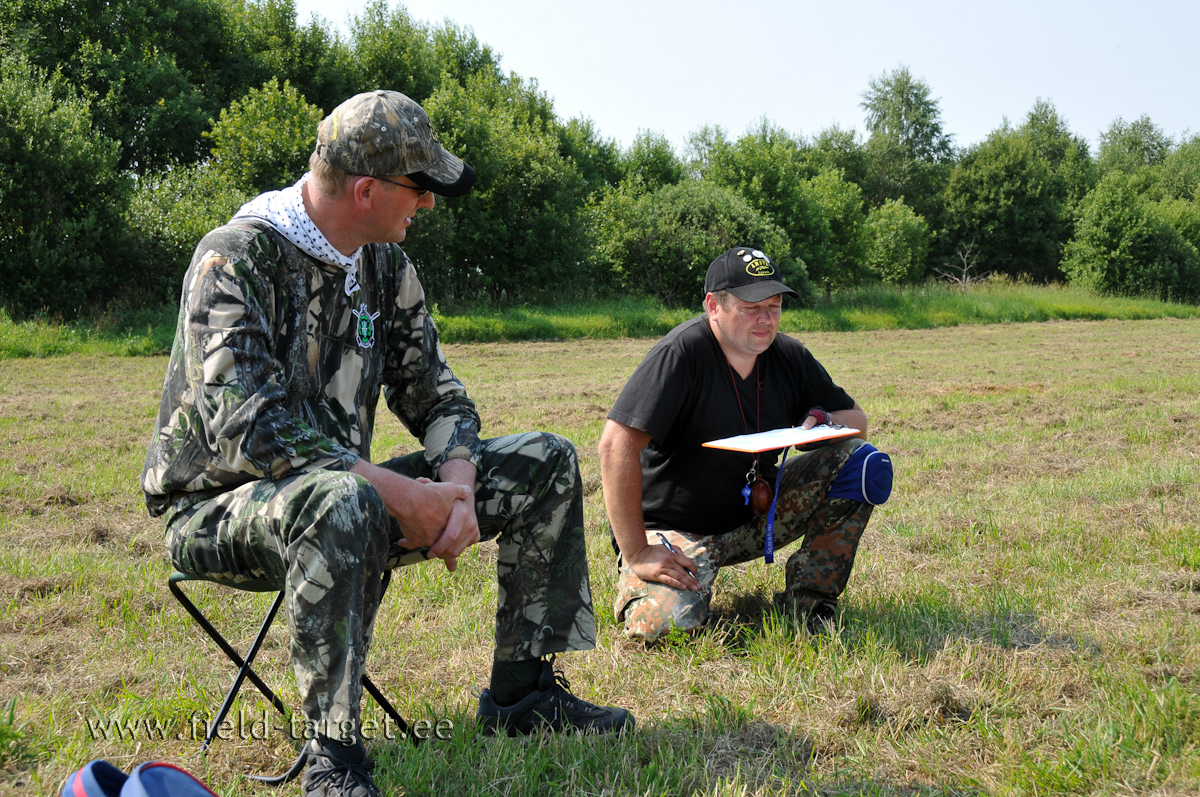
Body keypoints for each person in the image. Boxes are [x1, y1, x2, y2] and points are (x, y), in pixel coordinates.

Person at [141, 90, 632, 797]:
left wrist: (456, 489)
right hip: (217, 508)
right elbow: (247, 426)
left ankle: (522, 697)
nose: (428, 202)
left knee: (544, 460)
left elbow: (436, 393)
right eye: (418, 186)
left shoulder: (383, 266)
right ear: (366, 190)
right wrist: (402, 492)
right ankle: (333, 758)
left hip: (347, 495)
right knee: (341, 499)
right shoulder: (235, 258)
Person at [598, 247, 891, 644]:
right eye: (752, 306)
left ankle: (811, 603)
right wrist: (636, 552)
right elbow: (615, 446)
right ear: (713, 306)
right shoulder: (681, 354)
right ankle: (660, 580)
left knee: (861, 462)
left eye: (774, 306)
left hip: (756, 516)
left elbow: (857, 422)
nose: (766, 318)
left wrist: (821, 421)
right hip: (679, 527)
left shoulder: (788, 355)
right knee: (660, 628)